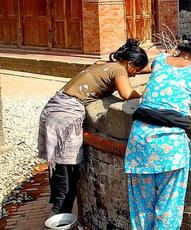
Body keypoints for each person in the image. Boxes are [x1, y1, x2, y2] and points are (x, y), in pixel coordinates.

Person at [38, 39, 146, 215]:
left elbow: (141, 68)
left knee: (59, 165)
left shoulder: (105, 64)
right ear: (130, 63)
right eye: (136, 71)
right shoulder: (119, 70)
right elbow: (127, 94)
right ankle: (60, 214)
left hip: (55, 108)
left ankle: (58, 209)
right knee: (67, 168)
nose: (134, 75)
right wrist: (148, 94)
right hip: (66, 116)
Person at [124, 34, 191, 229]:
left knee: (141, 208)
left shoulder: (159, 60)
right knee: (168, 210)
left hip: (140, 141)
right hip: (171, 146)